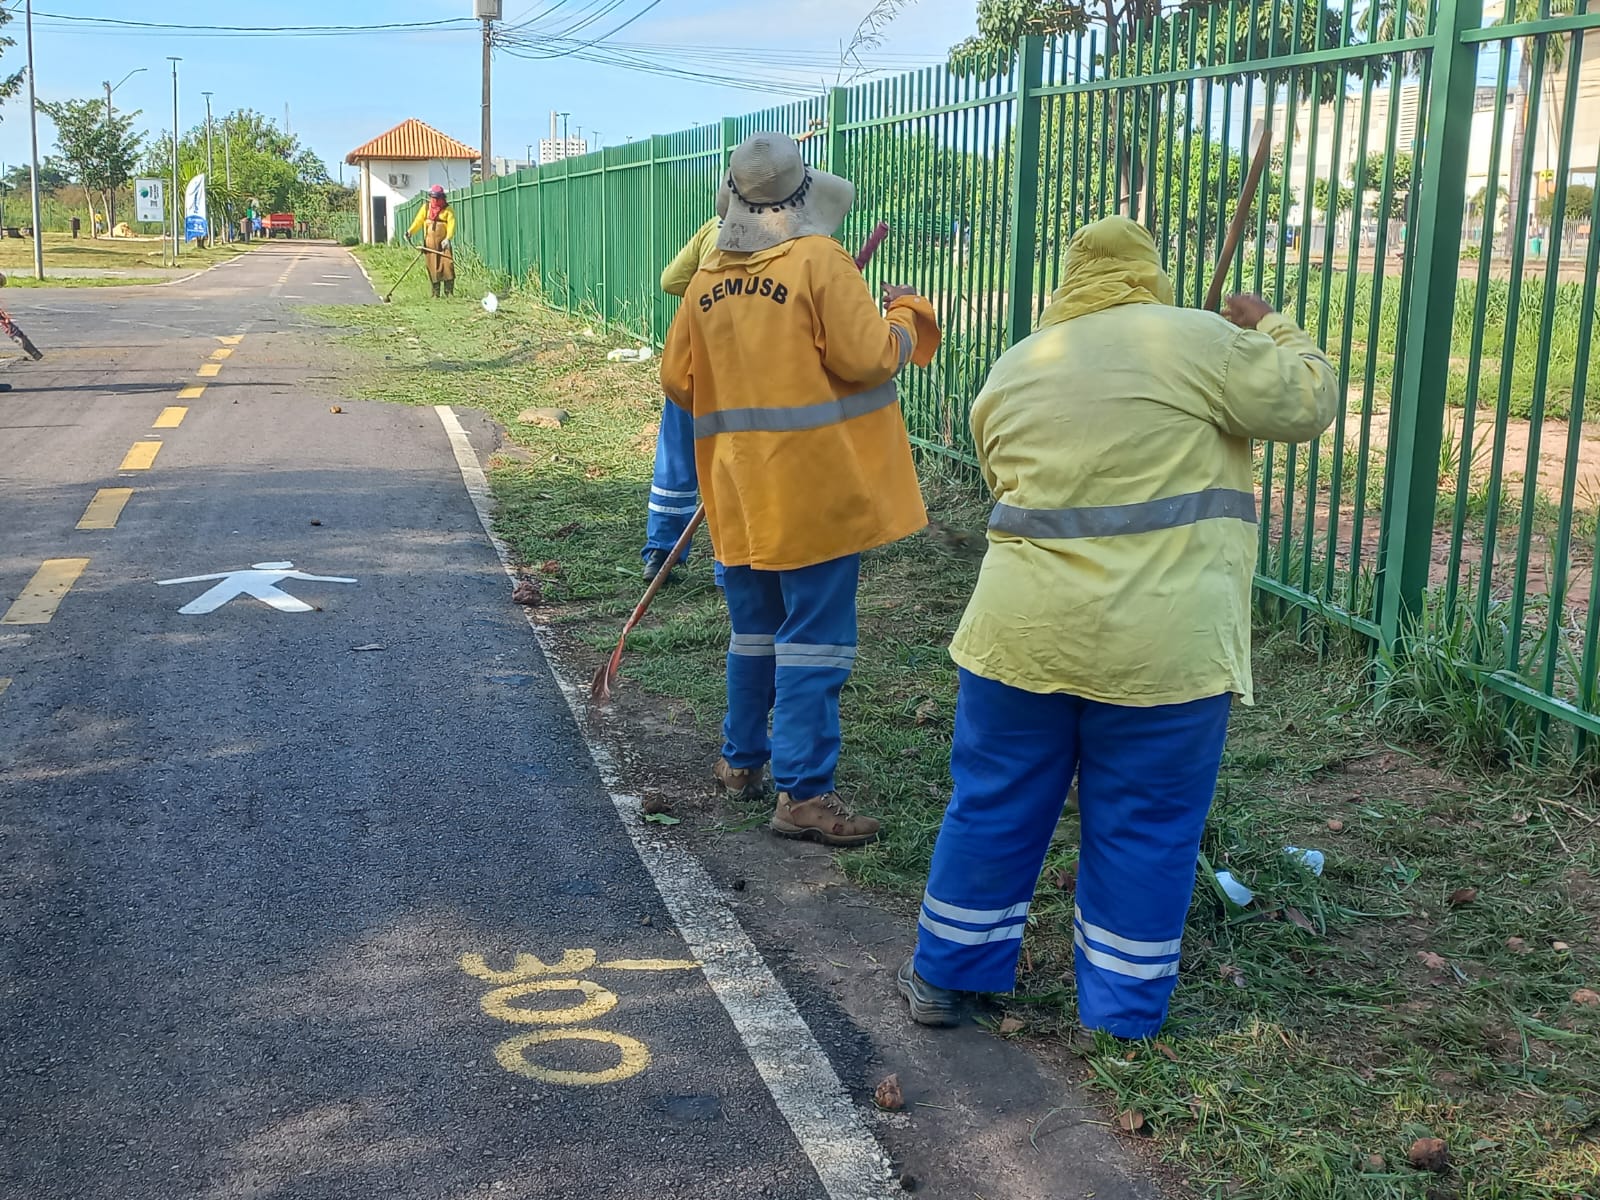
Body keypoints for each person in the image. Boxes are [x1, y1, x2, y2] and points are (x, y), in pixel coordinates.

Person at [899, 216, 1339, 1036]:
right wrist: (1270, 325)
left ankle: (946, 976)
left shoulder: (1018, 365)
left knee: (993, 803)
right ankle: (1122, 1014)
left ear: (1070, 281)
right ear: (1152, 276)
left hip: (1018, 638)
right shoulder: (1204, 341)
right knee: (1147, 822)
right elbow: (1307, 401)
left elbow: (1003, 471)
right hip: (1164, 648)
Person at [660, 132, 940, 848]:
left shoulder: (707, 278)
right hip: (815, 489)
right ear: (803, 194)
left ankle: (740, 762)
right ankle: (806, 794)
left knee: (753, 633)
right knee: (814, 641)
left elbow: (677, 382)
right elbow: (868, 357)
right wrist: (909, 315)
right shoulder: (820, 260)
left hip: (737, 489)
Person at [644, 215, 721, 584]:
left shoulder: (714, 227)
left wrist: (703, 290)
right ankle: (732, 566)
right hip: (741, 375)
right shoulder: (793, 239)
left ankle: (661, 551)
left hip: (689, 366)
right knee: (735, 466)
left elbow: (670, 279)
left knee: (676, 460)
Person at [408, 184, 456, 299]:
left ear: (442, 197)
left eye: (437, 198)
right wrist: (410, 231)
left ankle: (449, 293)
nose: (435, 200)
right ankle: (435, 294)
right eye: (433, 198)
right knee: (432, 267)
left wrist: (447, 238)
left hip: (444, 245)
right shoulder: (426, 208)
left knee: (447, 266)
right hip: (429, 245)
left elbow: (452, 225)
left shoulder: (448, 210)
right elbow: (418, 221)